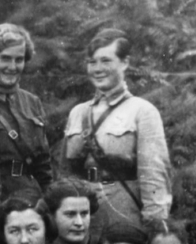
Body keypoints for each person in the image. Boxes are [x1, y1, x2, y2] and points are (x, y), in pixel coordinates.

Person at [63, 28, 172, 232]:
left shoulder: (142, 111)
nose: (97, 69)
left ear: (125, 62)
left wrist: (155, 222)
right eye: (92, 62)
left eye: (106, 61)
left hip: (123, 210)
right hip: (82, 215)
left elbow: (153, 174)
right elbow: (65, 172)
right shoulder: (78, 112)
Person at [0, 24, 53, 203]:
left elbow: (44, 167)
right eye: (5, 58)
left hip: (33, 202)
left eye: (19, 60)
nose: (12, 67)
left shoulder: (32, 103)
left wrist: (49, 204)